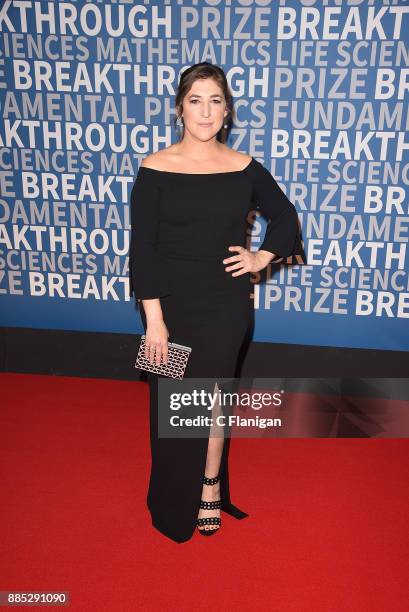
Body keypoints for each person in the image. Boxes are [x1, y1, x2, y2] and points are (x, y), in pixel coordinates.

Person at [128, 62, 305, 543]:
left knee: (213, 404)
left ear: (227, 111)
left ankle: (210, 488)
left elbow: (285, 217)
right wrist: (155, 321)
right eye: (195, 100)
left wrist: (261, 256)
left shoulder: (243, 166)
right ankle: (170, 499)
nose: (205, 111)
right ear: (178, 108)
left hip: (226, 305)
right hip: (168, 308)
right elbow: (142, 251)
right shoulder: (155, 167)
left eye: (215, 101)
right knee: (171, 407)